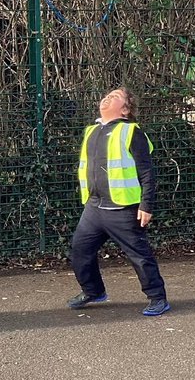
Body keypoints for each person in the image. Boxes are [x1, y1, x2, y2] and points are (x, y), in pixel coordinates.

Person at [68, 87, 170, 317]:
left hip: (122, 209)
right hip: (94, 207)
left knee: (139, 256)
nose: (108, 97)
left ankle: (158, 298)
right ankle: (93, 291)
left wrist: (146, 205)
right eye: (108, 94)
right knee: (79, 251)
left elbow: (146, 171)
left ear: (125, 109)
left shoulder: (132, 132)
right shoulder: (92, 130)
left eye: (115, 97)